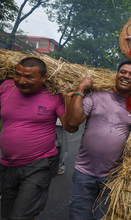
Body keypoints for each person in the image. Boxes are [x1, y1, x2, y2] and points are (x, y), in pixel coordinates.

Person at [0, 57, 76, 220]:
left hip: (39, 164)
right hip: (7, 164)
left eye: (29, 77)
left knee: (21, 216)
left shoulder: (54, 96)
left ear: (44, 78)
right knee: (6, 213)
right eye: (18, 75)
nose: (22, 81)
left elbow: (70, 127)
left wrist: (69, 99)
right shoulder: (6, 87)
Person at [66, 60, 131, 220]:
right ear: (117, 74)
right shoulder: (97, 96)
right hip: (84, 172)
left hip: (113, 176)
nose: (126, 76)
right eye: (123, 72)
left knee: (104, 217)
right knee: (79, 216)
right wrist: (80, 88)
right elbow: (73, 122)